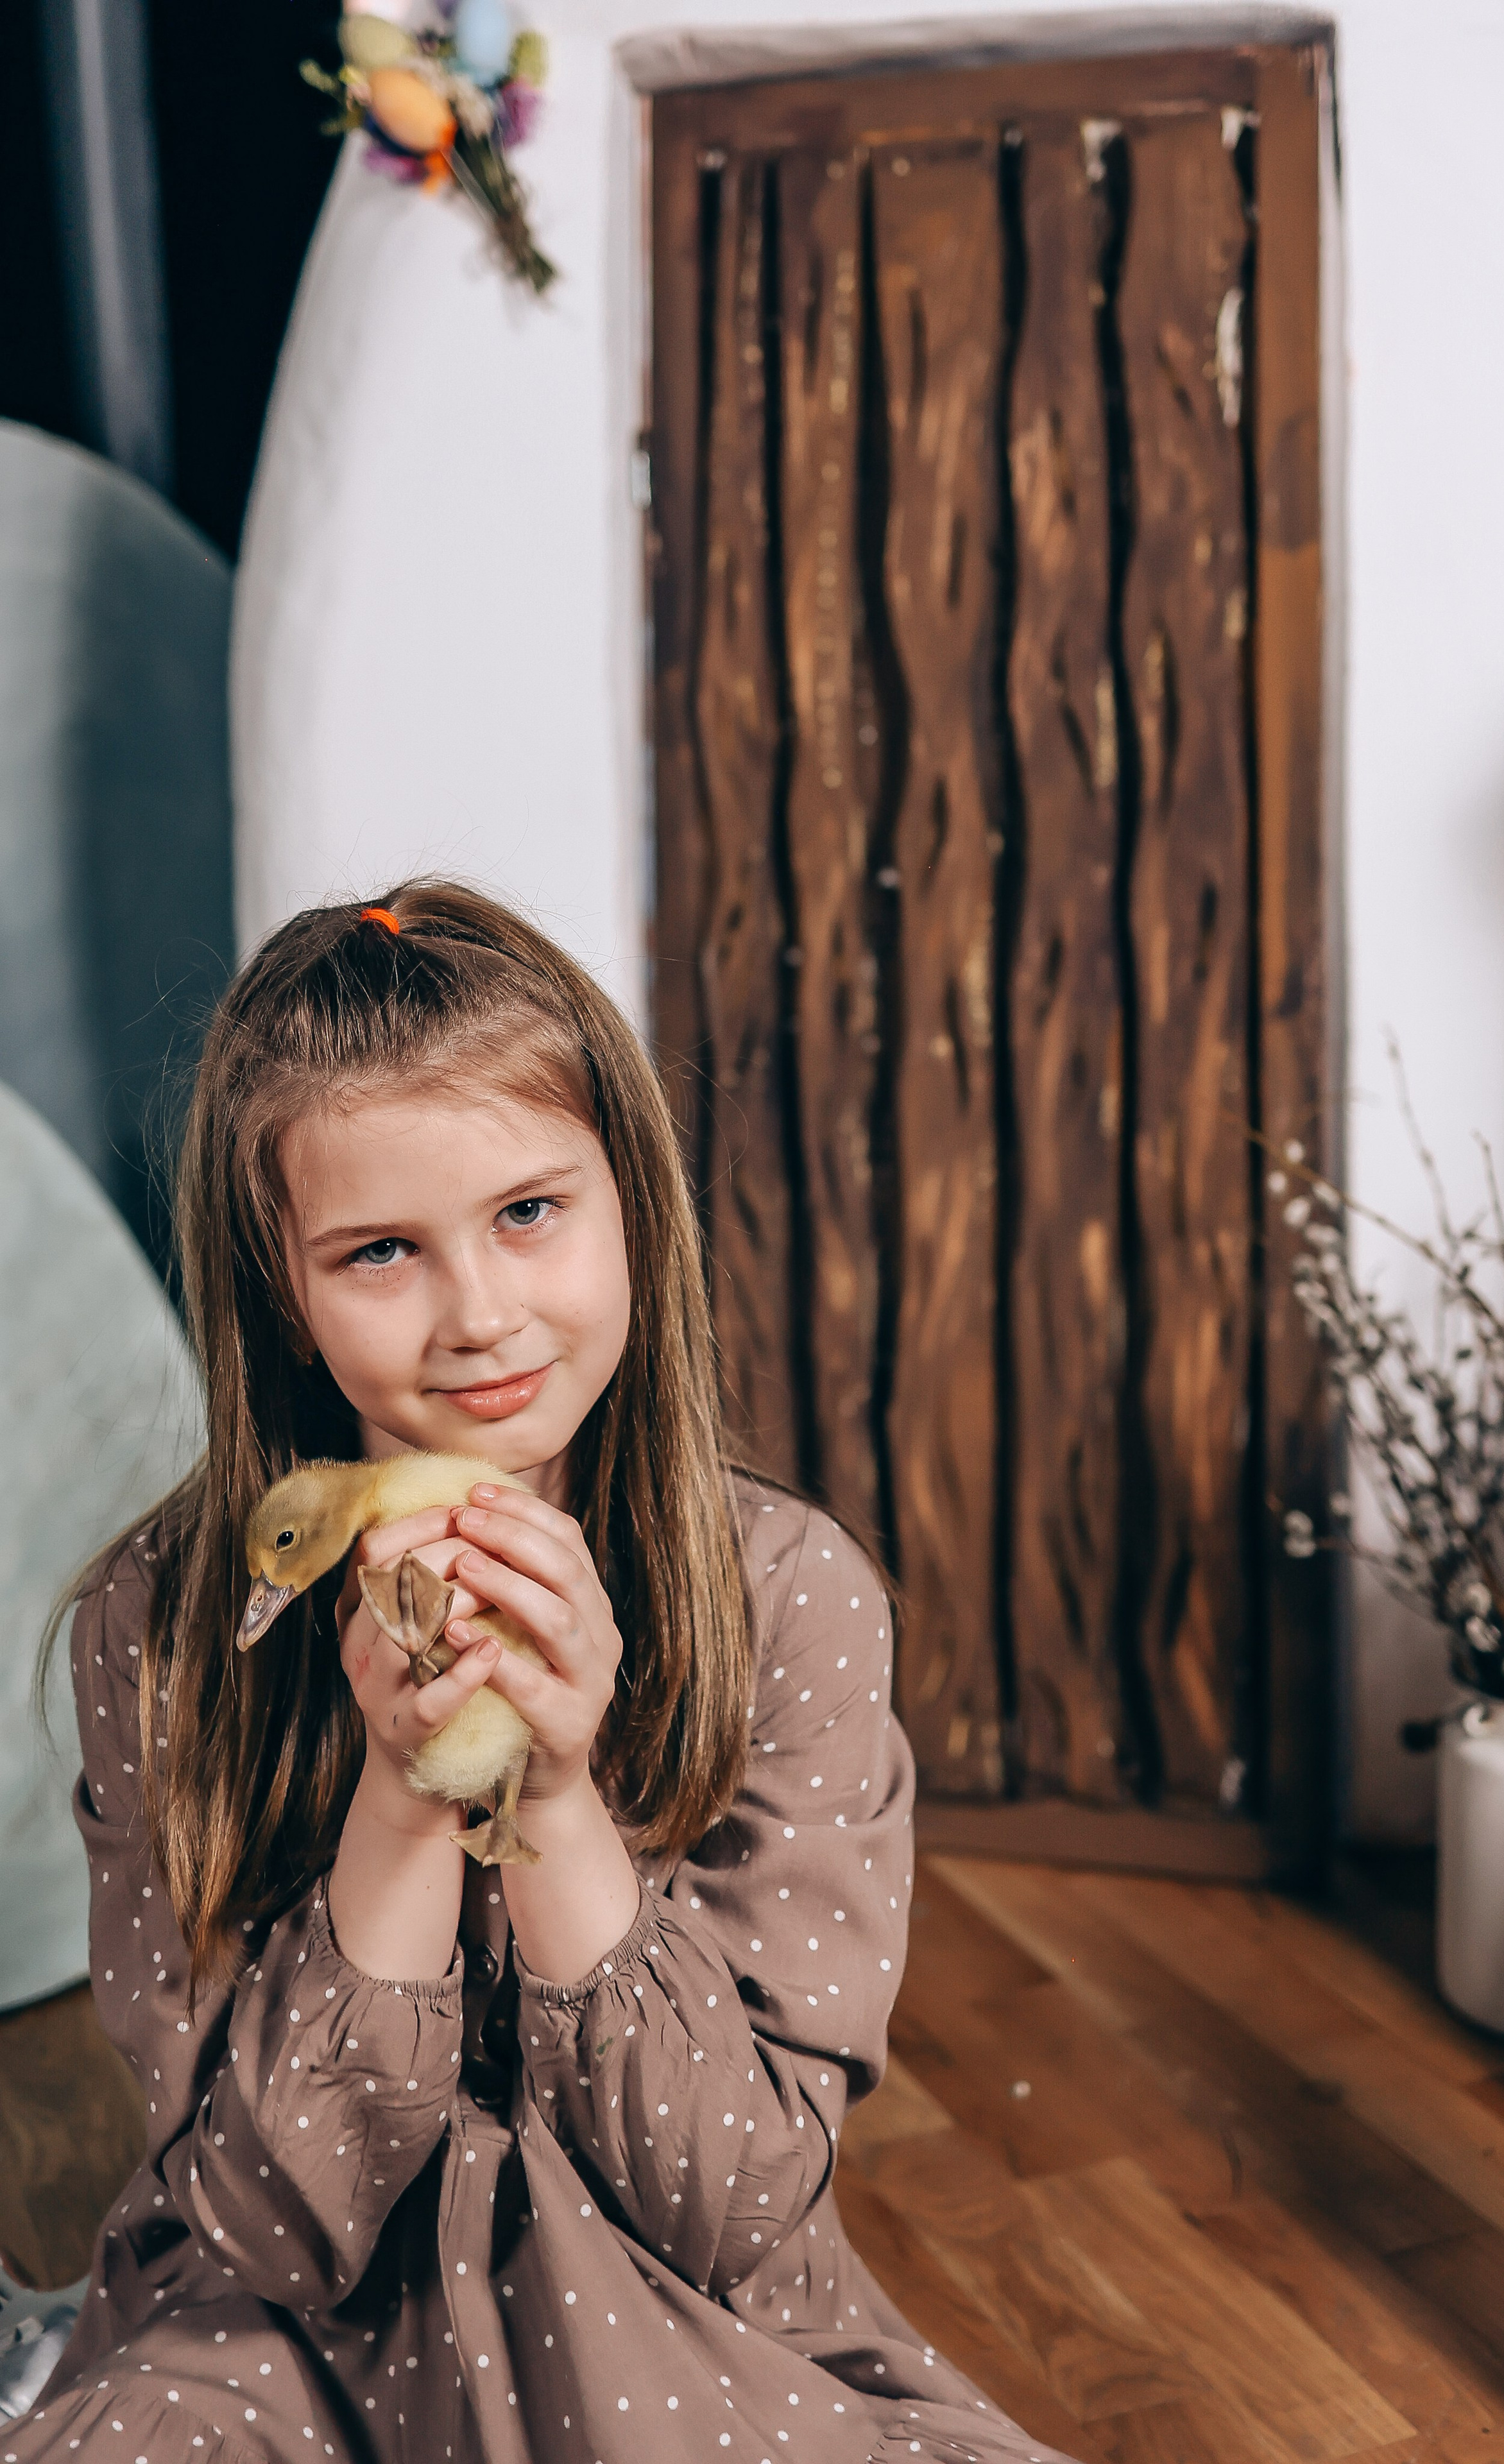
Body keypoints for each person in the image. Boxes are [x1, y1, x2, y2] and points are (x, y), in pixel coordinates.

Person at [10, 885, 1064, 2464]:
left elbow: (732, 2208)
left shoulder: (789, 1601)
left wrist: (557, 1799)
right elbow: (266, 2229)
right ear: (280, 1296)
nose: (481, 1315)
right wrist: (407, 1789)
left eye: (527, 1213)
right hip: (280, 2344)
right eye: (381, 1253)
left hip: (674, 2327)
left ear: (630, 1202)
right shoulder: (163, 1628)